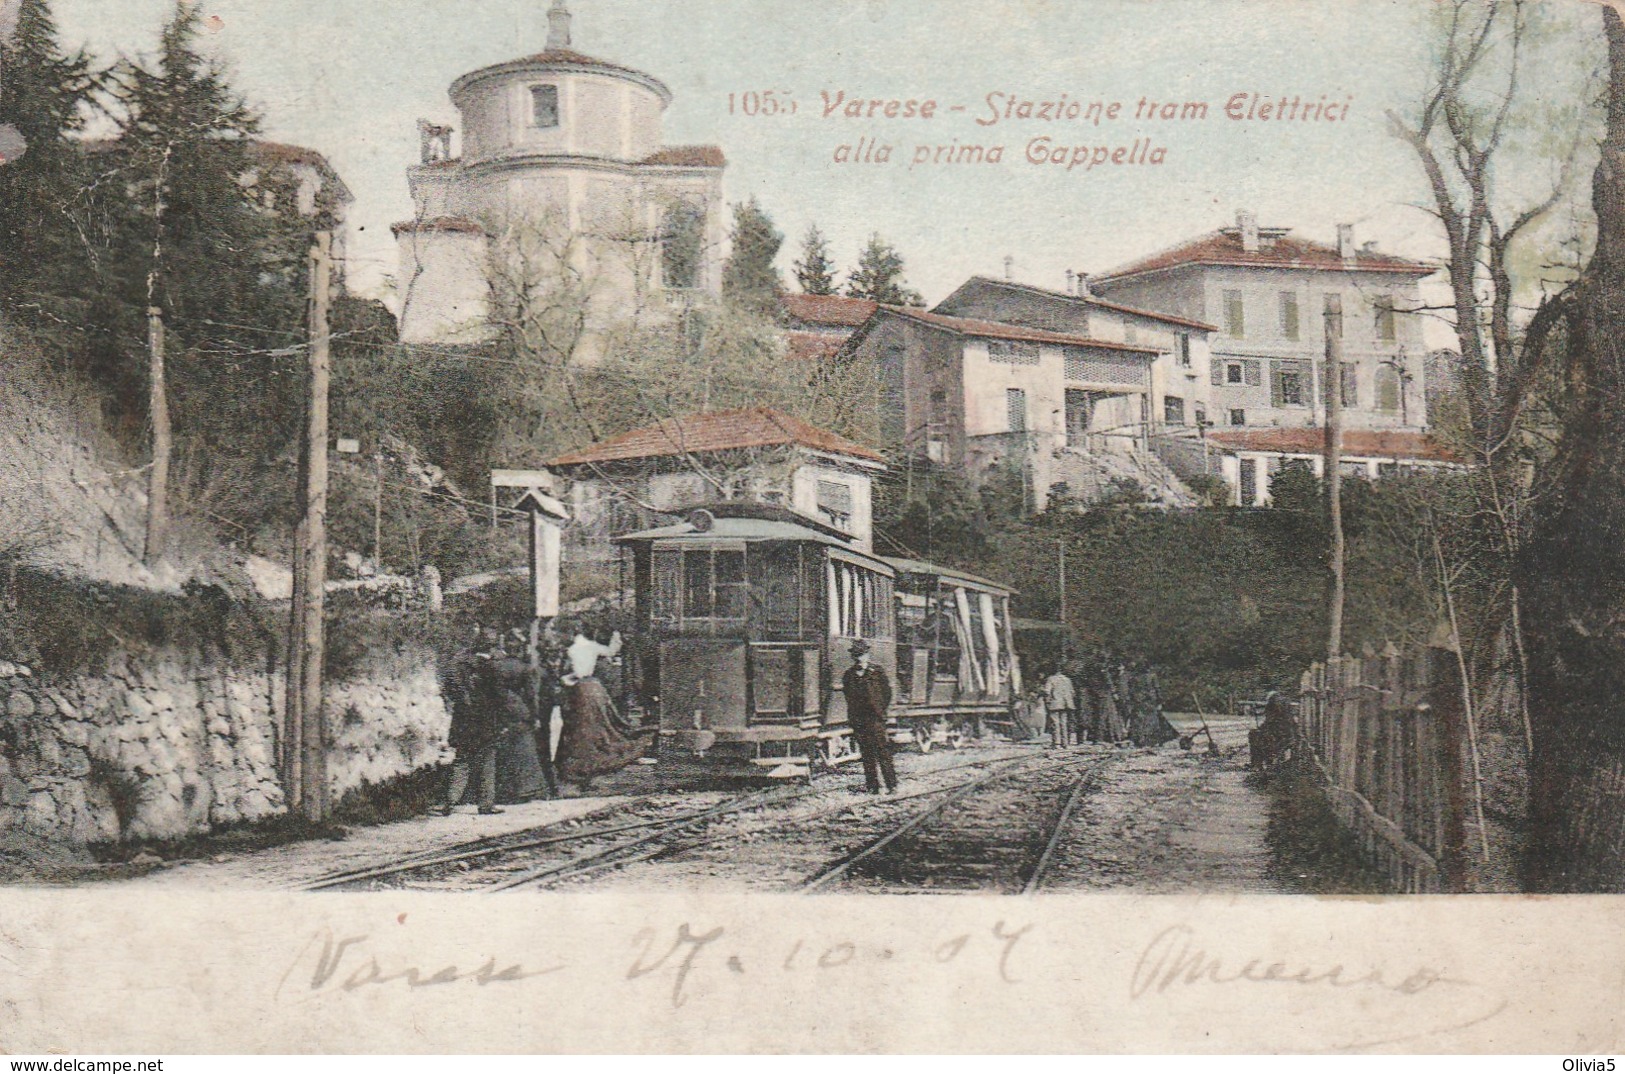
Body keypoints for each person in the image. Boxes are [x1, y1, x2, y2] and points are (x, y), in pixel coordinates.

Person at [554, 624, 646, 794]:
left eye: (560, 633)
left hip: (582, 691)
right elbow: (611, 650)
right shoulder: (592, 646)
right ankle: (589, 774)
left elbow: (578, 673)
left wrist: (563, 680)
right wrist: (616, 637)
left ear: (570, 633)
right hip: (596, 689)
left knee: (579, 734)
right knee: (596, 731)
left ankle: (577, 775)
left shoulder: (573, 650)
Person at [434, 626, 504, 816]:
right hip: (485, 719)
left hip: (464, 719)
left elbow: (449, 688)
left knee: (461, 761)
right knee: (487, 762)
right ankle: (486, 804)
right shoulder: (492, 667)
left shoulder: (459, 663)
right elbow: (499, 695)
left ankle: (450, 801)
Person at [491, 627, 557, 803]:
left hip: (499, 708)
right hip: (520, 709)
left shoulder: (495, 666)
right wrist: (535, 716)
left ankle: (503, 789)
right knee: (524, 748)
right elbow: (531, 695)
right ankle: (526, 789)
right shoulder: (525, 669)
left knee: (504, 748)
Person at [842, 639, 897, 794]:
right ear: (853, 657)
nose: (859, 658)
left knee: (883, 753)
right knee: (866, 754)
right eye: (856, 655)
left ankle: (891, 785)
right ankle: (873, 787)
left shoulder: (877, 672)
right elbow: (848, 697)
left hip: (875, 719)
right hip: (859, 720)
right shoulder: (849, 675)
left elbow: (887, 693)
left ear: (867, 654)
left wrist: (880, 710)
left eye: (862, 655)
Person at [1043, 666, 1077, 749]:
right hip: (1066, 704)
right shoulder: (1067, 680)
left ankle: (1056, 743)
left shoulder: (1051, 679)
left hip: (1055, 703)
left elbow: (1047, 691)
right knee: (1064, 723)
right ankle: (1065, 743)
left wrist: (1047, 700)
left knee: (1055, 723)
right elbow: (1072, 692)